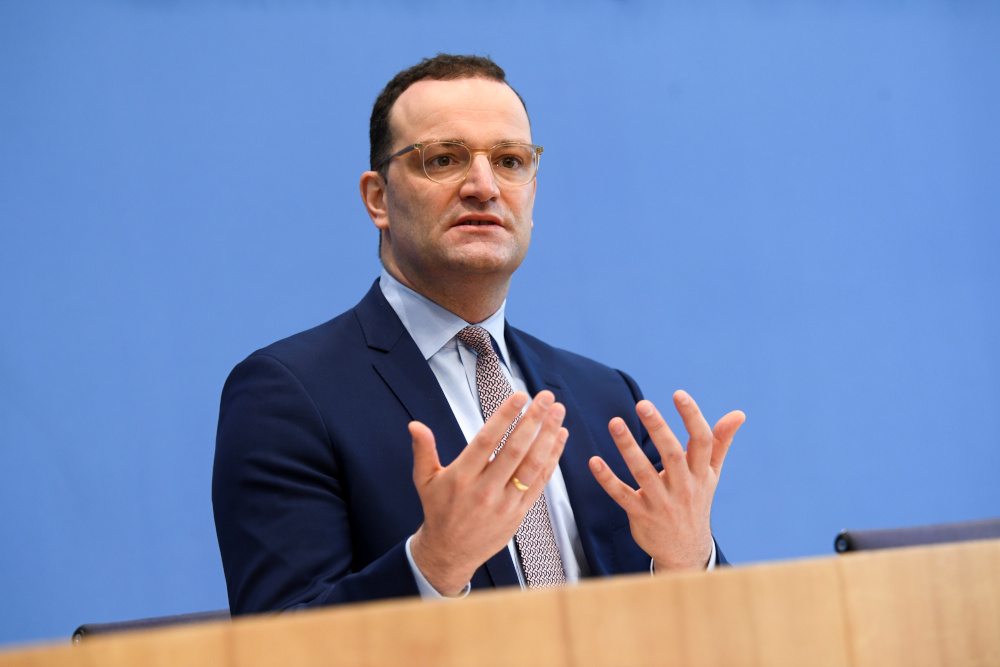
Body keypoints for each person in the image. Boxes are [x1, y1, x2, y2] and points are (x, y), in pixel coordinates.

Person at [212, 54, 745, 614]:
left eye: (511, 161)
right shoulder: (289, 394)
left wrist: (688, 564)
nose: (484, 187)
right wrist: (433, 566)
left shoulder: (604, 395)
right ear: (378, 198)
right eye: (443, 159)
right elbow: (278, 641)